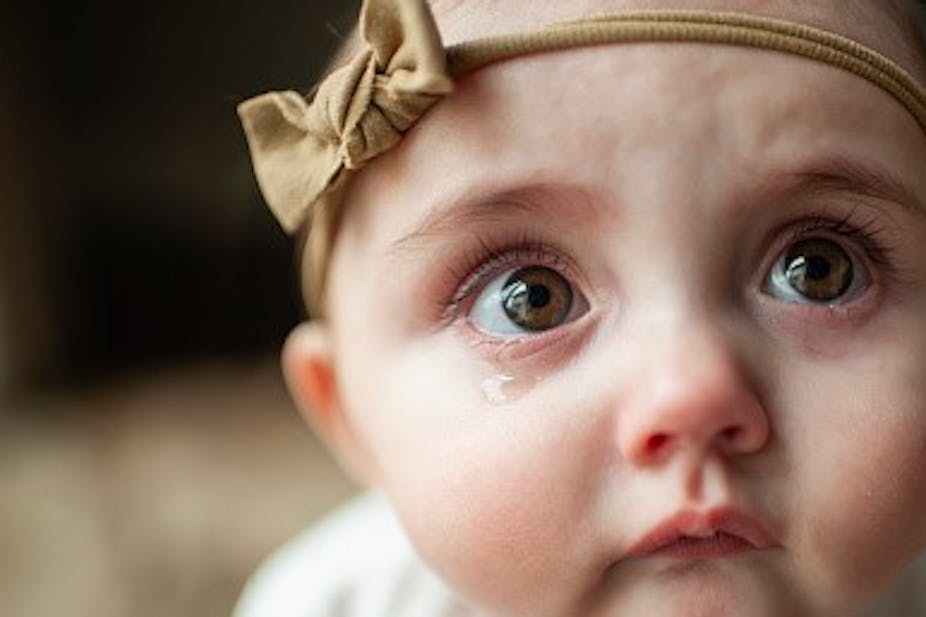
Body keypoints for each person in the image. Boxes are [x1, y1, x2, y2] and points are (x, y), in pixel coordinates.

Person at [233, 0, 926, 615]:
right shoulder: (331, 600)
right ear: (350, 415)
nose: (693, 393)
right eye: (531, 299)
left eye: (818, 273)